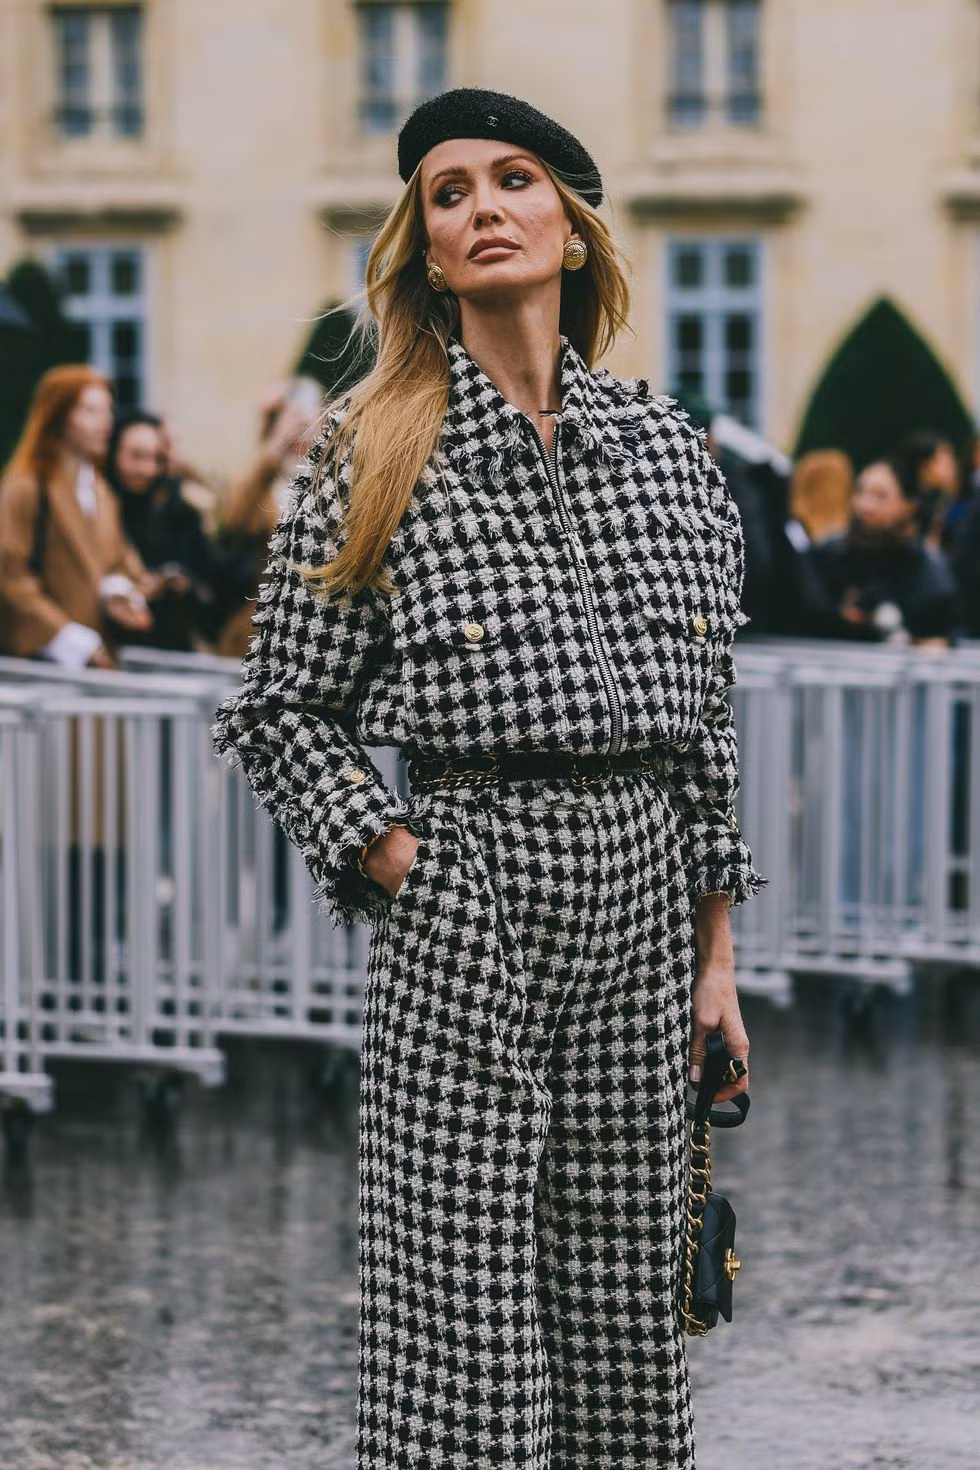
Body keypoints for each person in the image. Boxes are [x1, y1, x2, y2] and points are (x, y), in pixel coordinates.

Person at [214, 87, 763, 1470]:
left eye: (513, 180)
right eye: (448, 194)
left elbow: (705, 730)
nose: (482, 208)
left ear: (570, 229)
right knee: (460, 1326)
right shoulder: (371, 450)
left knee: (624, 1311)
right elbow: (280, 709)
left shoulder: (664, 453)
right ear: (429, 251)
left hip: (642, 900)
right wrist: (403, 862)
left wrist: (716, 960)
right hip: (470, 886)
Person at [0, 364, 152, 667]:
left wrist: (116, 592)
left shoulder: (101, 490)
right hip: (43, 666)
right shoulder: (27, 486)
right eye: (90, 411)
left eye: (107, 411)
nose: (105, 422)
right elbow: (10, 575)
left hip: (96, 658)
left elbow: (120, 561)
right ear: (58, 417)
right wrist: (65, 635)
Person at [105, 409, 239, 651]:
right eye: (137, 456)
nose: (147, 469)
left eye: (154, 458)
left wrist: (183, 584)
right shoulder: (102, 504)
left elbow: (212, 580)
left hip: (166, 641)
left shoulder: (180, 507)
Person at [212, 379, 321, 657]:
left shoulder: (329, 478)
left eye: (313, 419)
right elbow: (235, 522)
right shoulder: (257, 484)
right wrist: (276, 445)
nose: (305, 432)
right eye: (296, 420)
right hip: (265, 621)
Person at [798, 457, 959, 643]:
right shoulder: (828, 556)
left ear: (909, 505)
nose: (864, 505)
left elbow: (944, 635)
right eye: (859, 491)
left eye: (880, 496)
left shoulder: (928, 573)